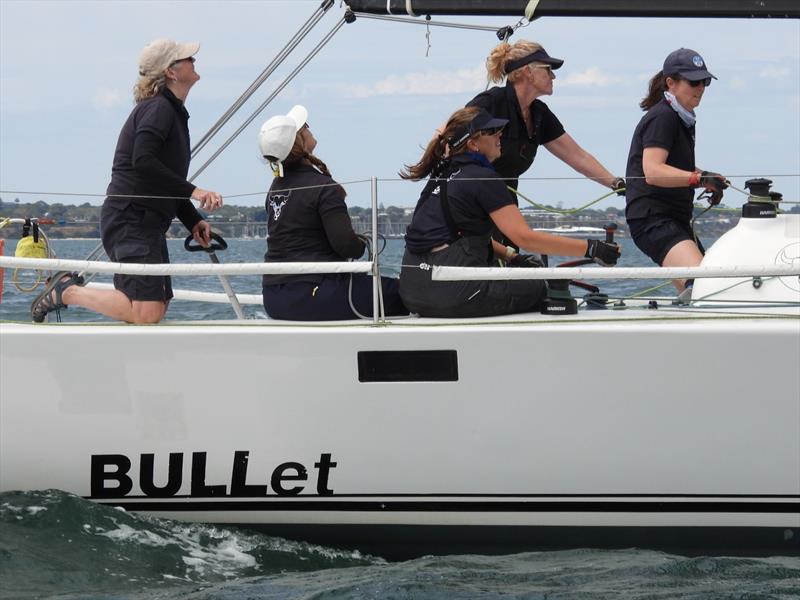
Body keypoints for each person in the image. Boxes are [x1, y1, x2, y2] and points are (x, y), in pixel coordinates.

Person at [30, 38, 223, 324]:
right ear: (171, 72)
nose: (194, 61)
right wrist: (195, 190)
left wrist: (193, 221)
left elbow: (164, 180)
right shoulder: (159, 109)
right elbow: (142, 162)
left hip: (144, 221)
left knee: (157, 307)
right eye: (187, 58)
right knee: (147, 311)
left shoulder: (170, 111)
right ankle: (66, 291)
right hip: (130, 219)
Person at [399, 106, 621, 318]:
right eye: (492, 131)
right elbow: (524, 237)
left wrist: (511, 256)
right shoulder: (482, 178)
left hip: (414, 294)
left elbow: (455, 236)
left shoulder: (440, 176)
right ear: (473, 144)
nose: (500, 135)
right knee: (539, 286)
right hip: (455, 297)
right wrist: (593, 248)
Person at [257, 105, 407, 321]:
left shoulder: (276, 188)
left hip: (274, 298)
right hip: (316, 295)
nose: (309, 128)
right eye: (305, 127)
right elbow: (346, 247)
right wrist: (362, 242)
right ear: (300, 141)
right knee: (403, 292)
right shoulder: (324, 187)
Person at [465, 40, 625, 203]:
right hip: (468, 202)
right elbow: (445, 139)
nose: (553, 76)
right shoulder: (490, 103)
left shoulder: (540, 113)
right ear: (528, 71)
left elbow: (578, 157)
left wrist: (616, 183)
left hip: (503, 203)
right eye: (548, 69)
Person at [625, 48, 728, 293]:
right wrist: (699, 178)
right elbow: (653, 170)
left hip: (674, 219)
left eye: (704, 81)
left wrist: (707, 179)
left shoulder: (682, 117)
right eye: (694, 81)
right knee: (706, 287)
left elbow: (676, 165)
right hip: (654, 220)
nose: (700, 87)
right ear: (670, 83)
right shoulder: (663, 117)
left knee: (695, 291)